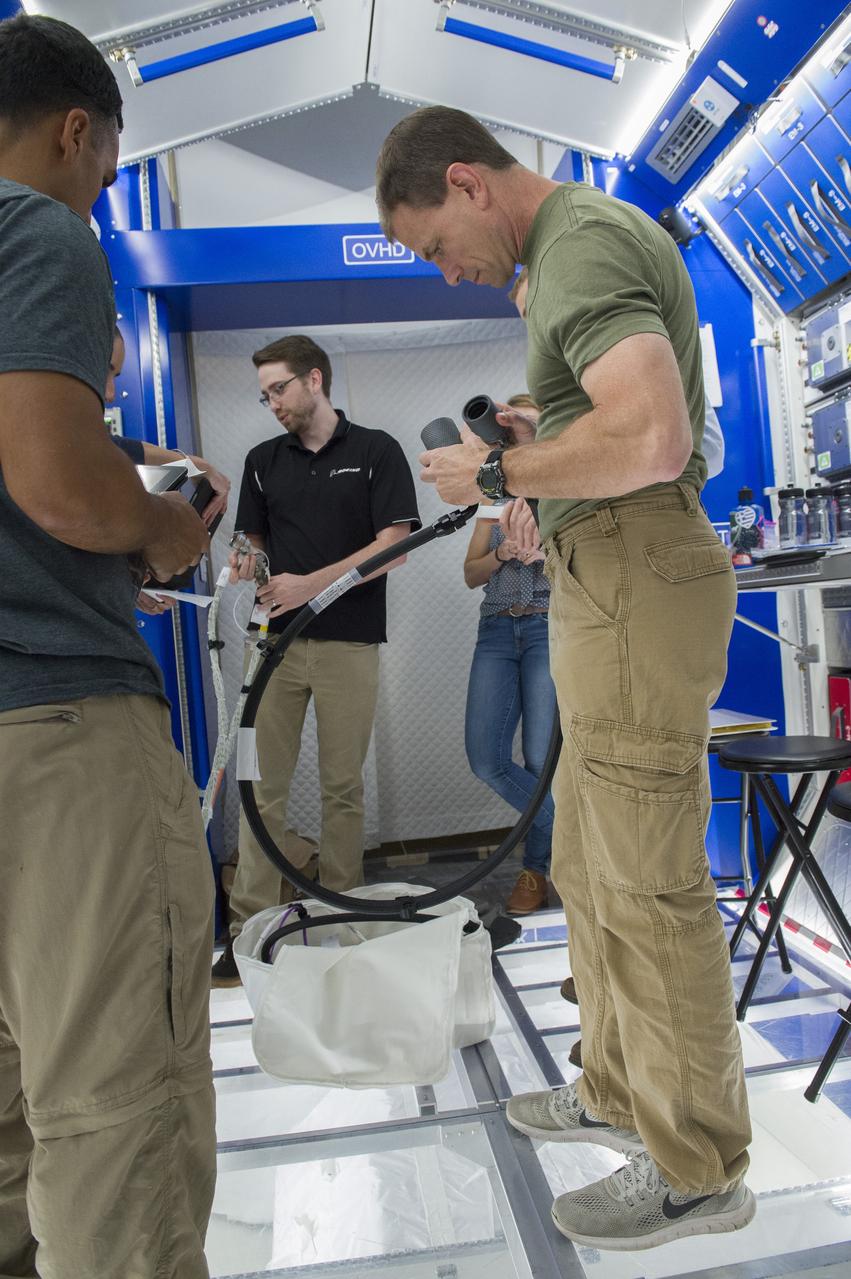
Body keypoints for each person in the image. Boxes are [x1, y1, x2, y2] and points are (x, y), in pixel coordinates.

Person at [376, 106, 753, 1251]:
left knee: (646, 880)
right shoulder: (568, 257)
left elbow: (654, 439)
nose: (448, 273)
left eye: (436, 246)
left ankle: (696, 1165)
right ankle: (612, 1086)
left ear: (467, 183)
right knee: (589, 858)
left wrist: (495, 464)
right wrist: (549, 432)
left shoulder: (580, 240)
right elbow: (629, 419)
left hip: (638, 570)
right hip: (605, 574)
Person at [0, 15, 216, 1278]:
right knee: (113, 1110)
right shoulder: (38, 229)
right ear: (78, 130)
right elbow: (61, 488)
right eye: (105, 164)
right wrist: (161, 527)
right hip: (58, 734)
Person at [211, 334, 420, 987]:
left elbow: (396, 545)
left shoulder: (374, 451)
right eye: (264, 393)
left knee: (341, 789)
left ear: (315, 380)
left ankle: (338, 920)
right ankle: (251, 927)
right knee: (258, 788)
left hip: (347, 642)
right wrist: (246, 555)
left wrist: (310, 584)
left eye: (279, 388)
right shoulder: (262, 459)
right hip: (272, 644)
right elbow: (254, 535)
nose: (271, 401)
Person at [463, 394, 557, 916]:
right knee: (486, 760)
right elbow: (469, 573)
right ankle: (565, 833)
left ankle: (536, 871)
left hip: (549, 626)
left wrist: (546, 553)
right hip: (497, 631)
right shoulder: (494, 492)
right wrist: (501, 553)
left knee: (540, 761)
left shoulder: (566, 485)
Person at [106, 325, 232, 615]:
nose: (111, 393)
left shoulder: (93, 446)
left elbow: (127, 449)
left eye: (116, 377)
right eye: (106, 371)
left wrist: (133, 582)